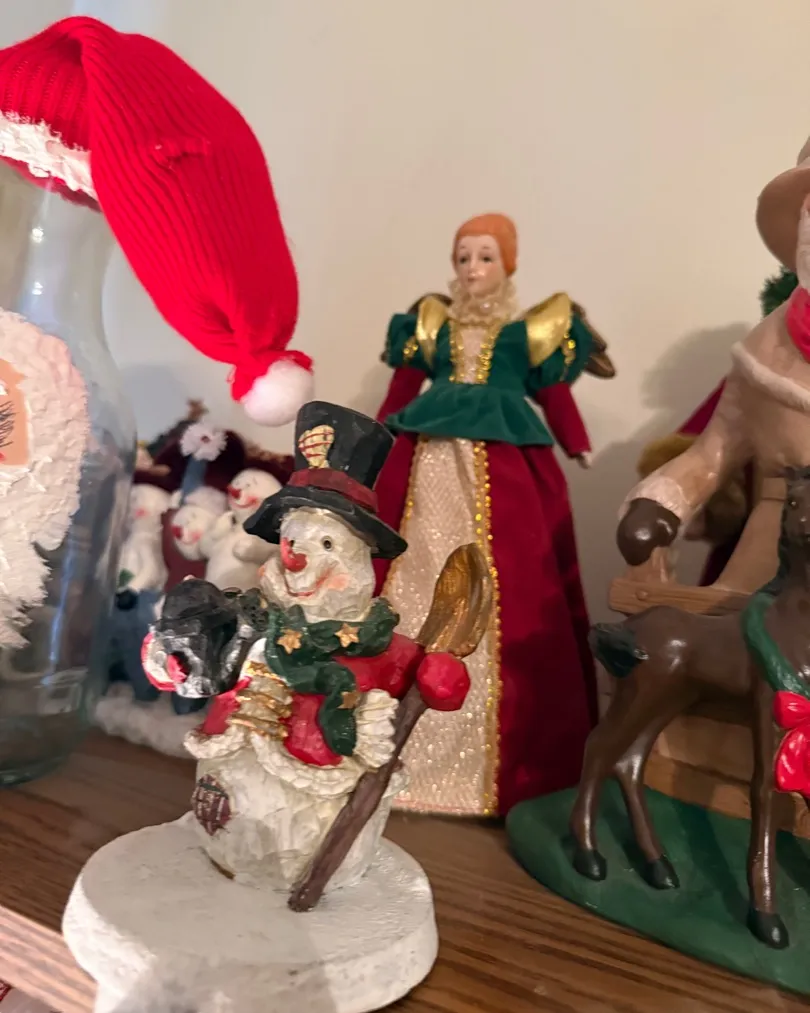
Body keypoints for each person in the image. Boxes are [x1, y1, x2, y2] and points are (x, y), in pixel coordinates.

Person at [374, 212, 615, 816]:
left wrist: (578, 443)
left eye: (484, 256)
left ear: (507, 264)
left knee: (512, 579)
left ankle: (496, 770)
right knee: (412, 567)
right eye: (463, 257)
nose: (472, 268)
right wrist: (374, 437)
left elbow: (554, 394)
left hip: (505, 464)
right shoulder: (432, 323)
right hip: (427, 455)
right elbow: (403, 387)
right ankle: (380, 749)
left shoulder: (527, 332)